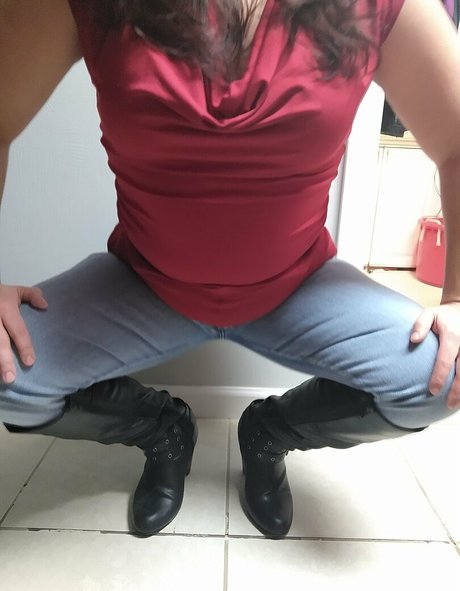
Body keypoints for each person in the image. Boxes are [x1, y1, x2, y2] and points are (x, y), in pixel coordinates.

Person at [0, 0, 459, 539]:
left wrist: (457, 300)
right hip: (146, 284)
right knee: (8, 379)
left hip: (297, 287)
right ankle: (163, 429)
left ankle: (267, 433)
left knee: (445, 377)